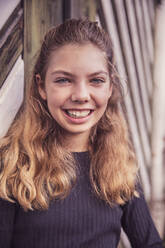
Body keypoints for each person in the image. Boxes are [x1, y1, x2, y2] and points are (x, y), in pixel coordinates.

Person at [0, 18, 163, 248]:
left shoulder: (118, 167)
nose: (81, 95)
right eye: (64, 80)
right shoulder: (12, 165)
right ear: (41, 86)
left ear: (109, 87)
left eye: (96, 80)